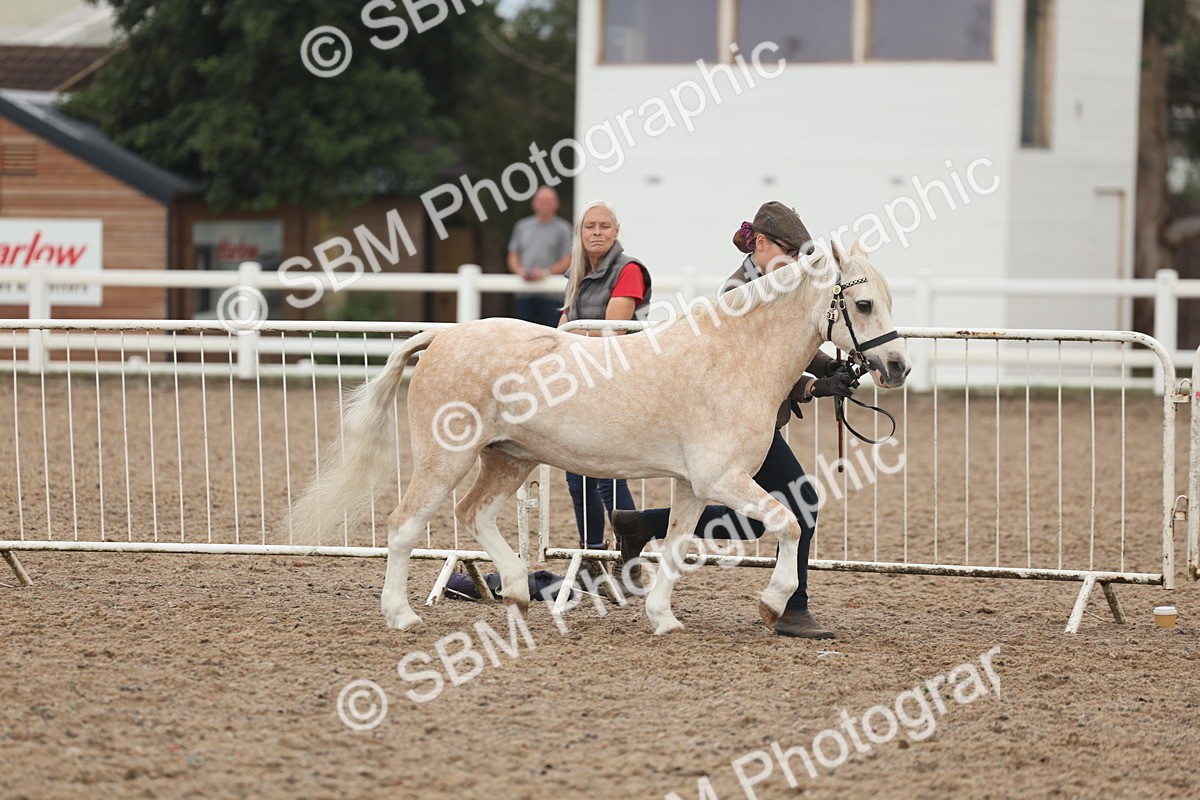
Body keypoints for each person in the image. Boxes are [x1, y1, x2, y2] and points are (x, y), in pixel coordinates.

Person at [611, 201, 855, 639]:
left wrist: (823, 369)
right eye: (790, 251)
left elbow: (789, 345)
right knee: (797, 505)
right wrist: (813, 387)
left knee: (767, 512)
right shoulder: (738, 294)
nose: (797, 261)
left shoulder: (780, 284)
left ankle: (644, 524)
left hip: (749, 423)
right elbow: (752, 373)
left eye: (801, 254)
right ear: (760, 244)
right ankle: (794, 609)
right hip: (725, 423)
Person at [558, 200, 653, 551]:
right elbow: (563, 327)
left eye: (603, 226)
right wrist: (571, 336)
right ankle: (592, 553)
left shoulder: (628, 269)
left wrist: (571, 337)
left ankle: (628, 559)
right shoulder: (577, 273)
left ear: (616, 232)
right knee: (576, 475)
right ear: (580, 233)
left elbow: (611, 331)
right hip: (582, 382)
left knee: (606, 475)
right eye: (589, 226)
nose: (596, 232)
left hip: (616, 383)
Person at [508, 186, 573, 327]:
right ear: (534, 203)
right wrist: (520, 271)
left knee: (550, 335)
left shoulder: (563, 229)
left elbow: (567, 260)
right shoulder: (522, 226)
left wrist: (545, 273)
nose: (544, 204)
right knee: (523, 334)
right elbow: (513, 255)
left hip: (551, 294)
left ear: (556, 204)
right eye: (541, 200)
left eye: (548, 201)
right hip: (524, 292)